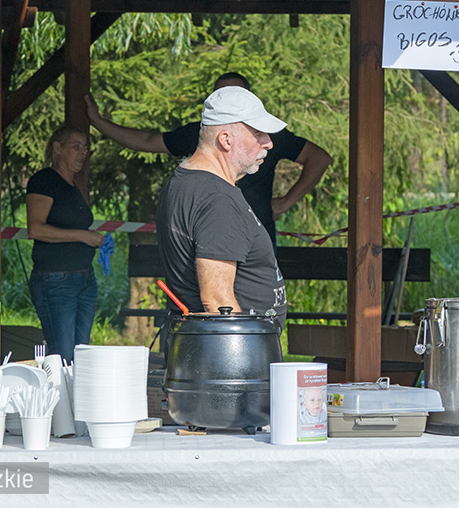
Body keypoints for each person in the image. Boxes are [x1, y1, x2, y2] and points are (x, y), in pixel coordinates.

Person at [85, 72, 333, 245]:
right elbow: (148, 141)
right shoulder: (198, 133)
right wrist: (97, 122)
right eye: (222, 96)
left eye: (236, 95)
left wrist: (286, 201)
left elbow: (319, 158)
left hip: (257, 235)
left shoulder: (272, 135)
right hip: (208, 236)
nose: (265, 143)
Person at [155, 86, 288, 354]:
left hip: (203, 354)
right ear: (226, 140)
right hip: (226, 364)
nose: (269, 143)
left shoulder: (186, 180)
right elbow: (217, 301)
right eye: (258, 134)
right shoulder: (217, 198)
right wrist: (248, 366)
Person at [26, 126, 105, 364]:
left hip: (84, 279)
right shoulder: (44, 180)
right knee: (63, 355)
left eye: (86, 148)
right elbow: (36, 229)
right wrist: (83, 236)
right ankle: (60, 400)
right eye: (76, 146)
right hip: (56, 280)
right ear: (58, 148)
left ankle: (75, 401)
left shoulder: (72, 185)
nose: (83, 153)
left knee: (80, 354)